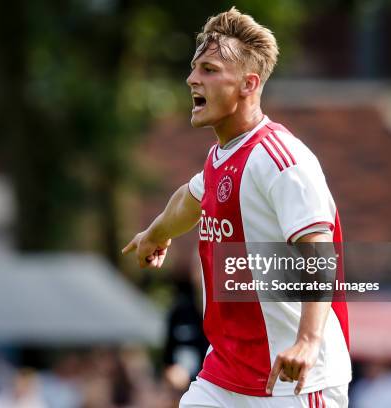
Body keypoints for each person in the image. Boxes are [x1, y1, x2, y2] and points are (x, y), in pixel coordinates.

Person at [122, 7, 351, 408]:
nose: (192, 78)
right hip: (225, 376)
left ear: (249, 84)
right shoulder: (221, 158)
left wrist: (308, 342)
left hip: (294, 380)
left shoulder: (282, 160)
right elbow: (188, 200)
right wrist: (155, 235)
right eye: (194, 69)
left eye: (209, 69)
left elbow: (318, 249)